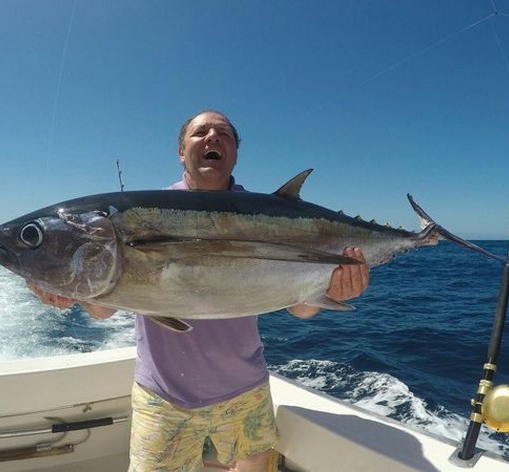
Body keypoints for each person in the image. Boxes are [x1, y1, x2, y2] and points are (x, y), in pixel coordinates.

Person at [30, 110, 369, 472]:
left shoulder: (263, 208)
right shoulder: (142, 212)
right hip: (161, 396)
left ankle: (422, 237)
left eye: (223, 133)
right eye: (200, 132)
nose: (212, 137)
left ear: (235, 152)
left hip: (246, 391)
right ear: (181, 151)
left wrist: (332, 291)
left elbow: (299, 308)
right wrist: (74, 288)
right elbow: (104, 309)